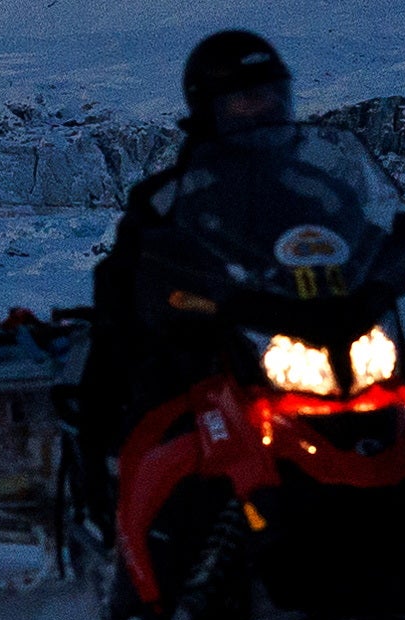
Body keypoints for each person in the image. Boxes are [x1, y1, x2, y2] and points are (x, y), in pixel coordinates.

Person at [78, 29, 349, 474]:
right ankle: (118, 480)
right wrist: (176, 301)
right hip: (212, 348)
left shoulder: (316, 191)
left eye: (273, 93)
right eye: (247, 97)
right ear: (210, 107)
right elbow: (130, 280)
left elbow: (357, 233)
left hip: (305, 339)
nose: (267, 107)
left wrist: (393, 259)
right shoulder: (171, 196)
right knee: (148, 387)